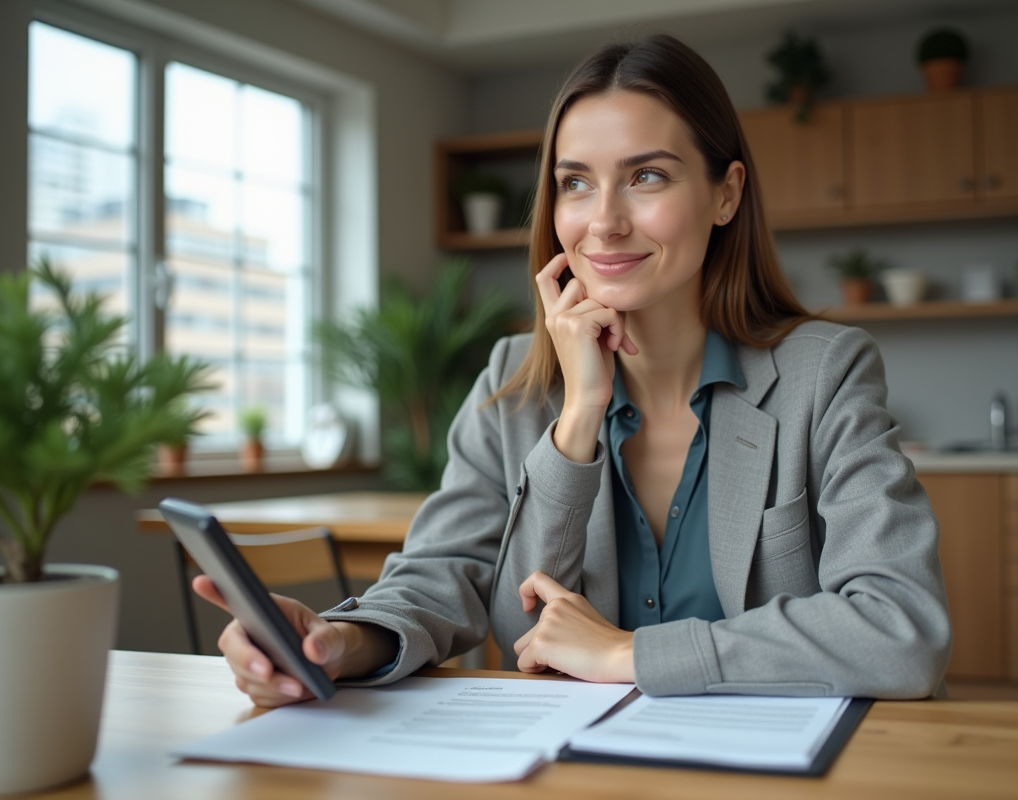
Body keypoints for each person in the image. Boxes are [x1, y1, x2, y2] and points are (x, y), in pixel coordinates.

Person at [195, 33, 951, 707]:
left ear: (725, 194)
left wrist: (629, 655)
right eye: (576, 182)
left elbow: (903, 628)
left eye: (647, 177)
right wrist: (336, 642)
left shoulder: (823, 373)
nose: (605, 222)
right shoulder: (512, 380)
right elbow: (447, 576)